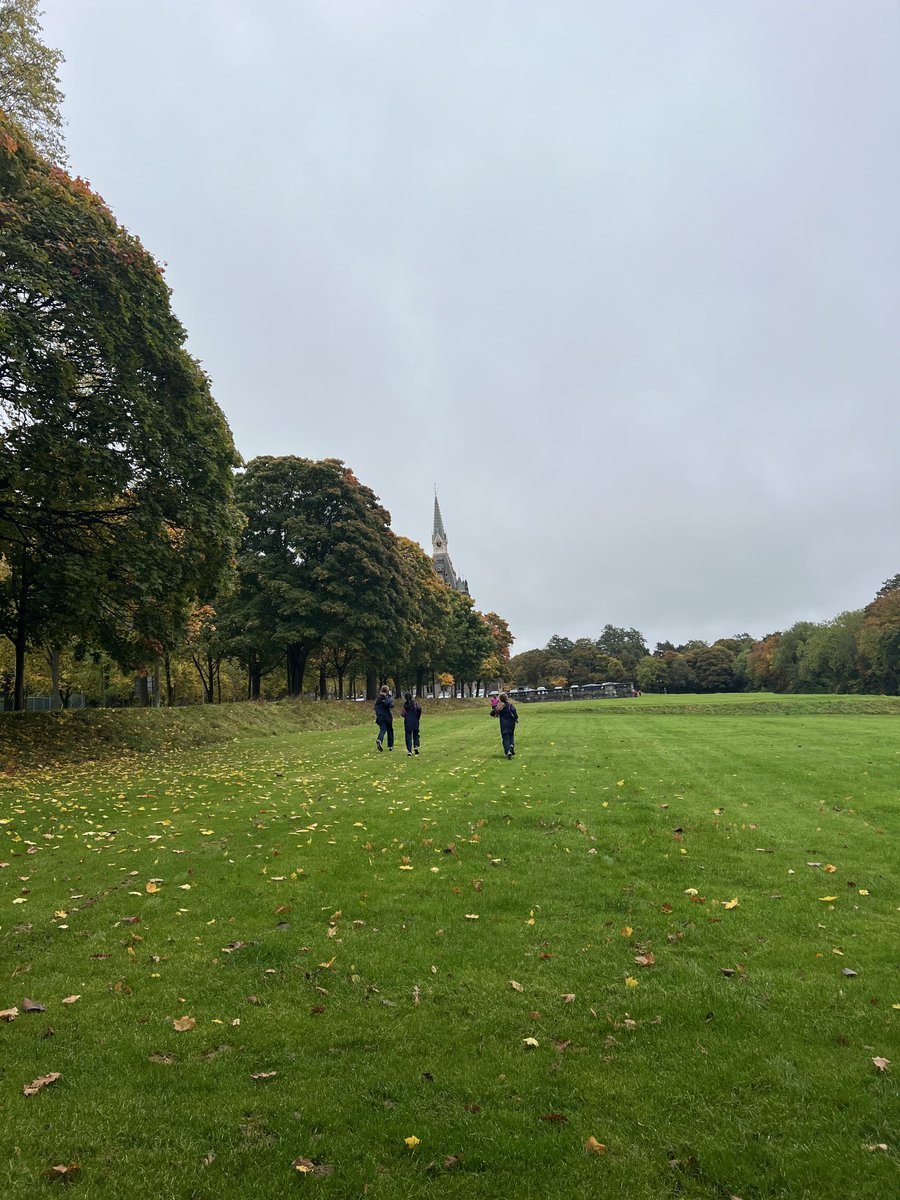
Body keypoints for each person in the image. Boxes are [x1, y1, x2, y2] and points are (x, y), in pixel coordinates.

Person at [491, 691, 519, 758]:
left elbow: (492, 713)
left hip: (504, 724)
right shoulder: (510, 705)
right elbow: (514, 712)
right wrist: (516, 718)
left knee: (505, 737)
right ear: (506, 698)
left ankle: (508, 751)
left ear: (500, 699)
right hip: (511, 723)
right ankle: (511, 745)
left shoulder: (499, 706)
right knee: (511, 735)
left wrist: (496, 711)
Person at [374, 685, 394, 751]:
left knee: (383, 729)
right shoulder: (387, 697)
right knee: (390, 731)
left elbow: (375, 707)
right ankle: (390, 746)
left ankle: (379, 740)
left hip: (380, 717)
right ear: (387, 691)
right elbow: (391, 705)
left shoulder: (378, 699)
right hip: (387, 716)